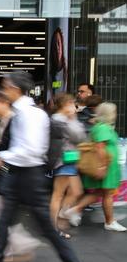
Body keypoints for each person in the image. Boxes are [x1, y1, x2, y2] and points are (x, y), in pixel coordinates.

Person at [0, 72, 87, 262]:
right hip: (16, 173)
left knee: (46, 228)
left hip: (30, 175)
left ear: (15, 89)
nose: (3, 91)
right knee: (2, 223)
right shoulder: (20, 113)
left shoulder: (30, 115)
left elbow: (31, 150)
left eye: (5, 86)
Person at [0, 92, 42, 262]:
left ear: (5, 103)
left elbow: (11, 148)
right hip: (5, 174)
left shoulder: (12, 120)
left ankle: (13, 248)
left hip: (9, 175)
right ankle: (5, 250)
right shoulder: (4, 121)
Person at [62, 102, 126, 232]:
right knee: (106, 193)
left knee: (101, 192)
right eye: (113, 112)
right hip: (105, 165)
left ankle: (74, 210)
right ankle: (109, 221)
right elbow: (99, 147)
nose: (115, 114)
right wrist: (102, 166)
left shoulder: (102, 127)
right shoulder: (103, 127)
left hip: (107, 165)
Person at [48, 93, 86, 238]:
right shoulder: (60, 120)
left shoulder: (58, 119)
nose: (74, 106)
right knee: (58, 195)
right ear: (65, 105)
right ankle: (54, 226)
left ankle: (61, 217)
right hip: (63, 160)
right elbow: (79, 136)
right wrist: (74, 118)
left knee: (75, 191)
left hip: (67, 160)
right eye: (71, 103)